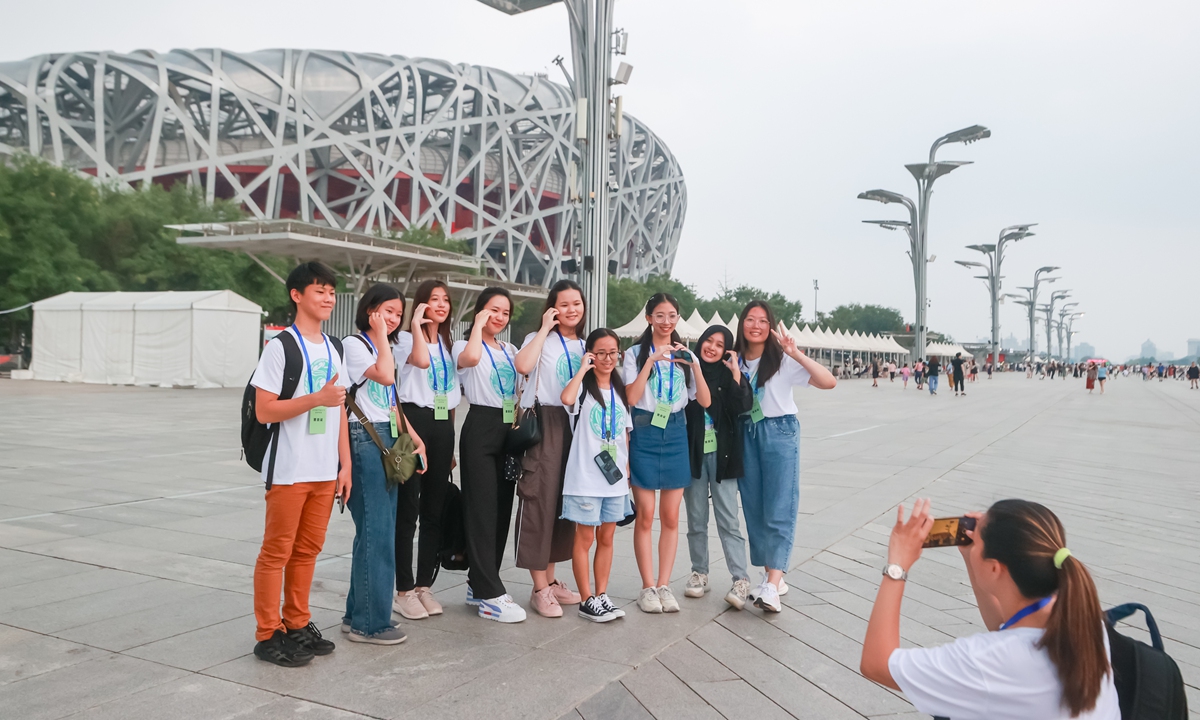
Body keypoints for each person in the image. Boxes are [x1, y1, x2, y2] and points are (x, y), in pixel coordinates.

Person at [861, 498, 1119, 719]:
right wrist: (972, 556)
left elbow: (877, 664)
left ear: (995, 568)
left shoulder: (987, 661)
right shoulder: (1081, 618)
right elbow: (1004, 628)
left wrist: (897, 565)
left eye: (979, 541)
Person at [250, 261, 351, 667]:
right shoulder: (281, 346)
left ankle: (297, 624)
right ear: (297, 295)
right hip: (290, 469)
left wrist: (345, 465)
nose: (328, 298)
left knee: (308, 551)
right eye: (319, 290)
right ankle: (266, 634)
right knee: (276, 552)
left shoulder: (335, 347)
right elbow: (264, 411)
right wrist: (315, 400)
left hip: (325, 470)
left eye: (331, 291)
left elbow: (341, 409)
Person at [735, 301, 836, 613]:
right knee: (753, 507)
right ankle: (772, 577)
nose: (756, 325)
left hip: (779, 432)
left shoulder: (780, 360)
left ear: (770, 327)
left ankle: (773, 583)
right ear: (742, 325)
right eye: (750, 319)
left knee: (780, 504)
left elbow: (828, 381)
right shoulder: (735, 360)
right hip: (747, 432)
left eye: (763, 321)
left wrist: (796, 353)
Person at [341, 284, 426, 645]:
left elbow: (390, 400)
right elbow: (386, 378)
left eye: (396, 313)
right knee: (376, 534)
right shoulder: (355, 344)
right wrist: (377, 334)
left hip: (388, 437)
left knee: (377, 533)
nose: (392, 319)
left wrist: (413, 435)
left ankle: (355, 614)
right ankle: (370, 623)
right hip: (364, 438)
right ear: (370, 309)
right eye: (386, 311)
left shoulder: (384, 346)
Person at [624, 293, 711, 614]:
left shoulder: (684, 355)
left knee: (671, 516)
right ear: (649, 318)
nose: (666, 321)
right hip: (645, 431)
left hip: (675, 432)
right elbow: (631, 398)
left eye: (672, 315)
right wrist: (650, 362)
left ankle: (664, 584)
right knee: (646, 514)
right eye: (659, 315)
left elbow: (703, 401)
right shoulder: (634, 353)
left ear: (678, 318)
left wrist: (695, 365)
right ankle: (647, 587)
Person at [453, 287, 527, 623]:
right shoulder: (464, 345)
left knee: (501, 511)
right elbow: (468, 360)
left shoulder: (510, 349)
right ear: (480, 311)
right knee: (481, 510)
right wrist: (477, 326)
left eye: (505, 313)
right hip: (480, 425)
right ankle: (490, 593)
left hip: (508, 429)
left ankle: (479, 583)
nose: (499, 318)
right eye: (492, 310)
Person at [512, 280, 586, 618]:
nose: (572, 310)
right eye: (565, 304)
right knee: (539, 499)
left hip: (576, 427)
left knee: (562, 505)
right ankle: (539, 587)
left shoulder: (585, 344)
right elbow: (523, 366)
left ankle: (552, 580)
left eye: (577, 303)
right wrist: (544, 328)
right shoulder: (539, 339)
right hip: (545, 422)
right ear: (553, 307)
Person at [392, 280, 459, 621]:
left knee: (434, 509)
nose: (442, 305)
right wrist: (418, 325)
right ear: (420, 304)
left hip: (442, 422)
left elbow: (450, 393)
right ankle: (403, 589)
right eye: (434, 299)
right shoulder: (405, 339)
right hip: (412, 422)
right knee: (408, 510)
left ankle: (423, 585)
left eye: (446, 300)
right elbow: (419, 362)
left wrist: (448, 439)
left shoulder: (448, 343)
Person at [560, 328, 634, 622]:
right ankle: (586, 598)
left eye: (612, 352)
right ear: (590, 354)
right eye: (600, 352)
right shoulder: (583, 389)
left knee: (607, 536)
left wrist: (626, 472)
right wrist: (582, 369)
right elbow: (565, 397)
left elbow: (624, 435)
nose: (607, 358)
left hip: (613, 478)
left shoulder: (619, 391)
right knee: (585, 538)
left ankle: (602, 595)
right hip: (586, 477)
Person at [683, 325, 754, 609]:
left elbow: (744, 405)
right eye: (708, 341)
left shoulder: (729, 375)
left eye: (719, 344)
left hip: (723, 455)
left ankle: (741, 578)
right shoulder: (688, 371)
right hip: (693, 455)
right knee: (696, 519)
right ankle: (699, 572)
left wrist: (736, 372)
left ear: (727, 349)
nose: (711, 347)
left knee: (729, 520)